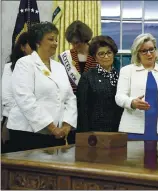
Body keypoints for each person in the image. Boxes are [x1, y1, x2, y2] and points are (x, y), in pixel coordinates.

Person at [7, 22, 77, 152]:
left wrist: (67, 125)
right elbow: (25, 99)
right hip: (27, 133)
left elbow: (70, 98)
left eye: (56, 39)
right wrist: (51, 127)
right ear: (38, 42)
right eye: (51, 39)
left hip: (57, 134)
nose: (55, 43)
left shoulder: (59, 67)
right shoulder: (25, 64)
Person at [115, 33, 158, 141]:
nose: (149, 54)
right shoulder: (127, 70)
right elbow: (119, 97)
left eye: (151, 49)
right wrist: (132, 102)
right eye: (144, 51)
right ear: (137, 53)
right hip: (132, 130)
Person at [77, 35, 123, 132]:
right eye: (101, 54)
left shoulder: (121, 76)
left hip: (119, 129)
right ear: (95, 57)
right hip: (95, 132)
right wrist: (85, 134)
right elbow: (82, 110)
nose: (106, 56)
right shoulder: (87, 77)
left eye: (109, 52)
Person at [1, 32, 32, 153]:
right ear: (22, 47)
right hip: (14, 121)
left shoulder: (42, 67)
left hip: (36, 124)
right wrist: (27, 111)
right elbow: (7, 99)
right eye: (31, 45)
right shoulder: (10, 68)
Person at [59, 20, 97, 94]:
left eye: (77, 42)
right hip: (72, 100)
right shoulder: (67, 56)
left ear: (85, 39)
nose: (74, 46)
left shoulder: (96, 54)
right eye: (72, 43)